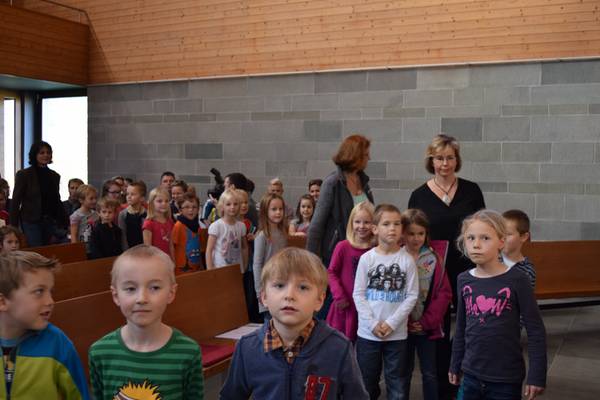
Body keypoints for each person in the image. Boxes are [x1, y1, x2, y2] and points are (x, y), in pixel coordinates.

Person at [220, 247, 368, 399]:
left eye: (303, 287)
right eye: (279, 285)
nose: (289, 295)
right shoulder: (247, 347)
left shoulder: (339, 347)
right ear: (264, 297)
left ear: (319, 300)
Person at [407, 134, 485, 400]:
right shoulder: (419, 195)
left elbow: (482, 228)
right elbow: (413, 236)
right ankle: (442, 385)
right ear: (431, 160)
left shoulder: (472, 190)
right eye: (439, 158)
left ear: (456, 160)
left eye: (450, 158)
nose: (445, 163)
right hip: (433, 273)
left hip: (467, 268)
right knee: (437, 328)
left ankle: (467, 379)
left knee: (470, 324)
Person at [449, 210, 546, 400]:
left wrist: (537, 375)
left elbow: (535, 329)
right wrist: (455, 363)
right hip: (470, 373)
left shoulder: (518, 279)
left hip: (505, 378)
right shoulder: (463, 279)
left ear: (501, 241)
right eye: (470, 238)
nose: (476, 244)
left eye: (485, 238)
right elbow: (461, 326)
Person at [88, 245, 204, 400]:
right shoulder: (100, 353)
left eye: (154, 287)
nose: (142, 298)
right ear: (116, 295)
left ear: (171, 293)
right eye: (130, 289)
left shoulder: (188, 352)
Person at [0, 251, 90, 399]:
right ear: (3, 302)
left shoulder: (57, 342)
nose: (50, 301)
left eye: (51, 292)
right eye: (39, 292)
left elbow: (79, 395)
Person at [352, 204, 419, 400]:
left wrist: (391, 323)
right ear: (375, 229)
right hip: (368, 334)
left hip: (396, 335)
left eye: (397, 224)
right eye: (386, 224)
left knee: (397, 383)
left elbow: (412, 295)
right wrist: (372, 323)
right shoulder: (367, 259)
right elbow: (359, 294)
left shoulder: (407, 260)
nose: (392, 228)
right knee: (366, 381)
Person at [400, 209, 452, 400]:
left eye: (420, 233)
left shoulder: (434, 258)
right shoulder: (396, 257)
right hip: (402, 327)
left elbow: (444, 294)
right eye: (411, 233)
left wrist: (426, 322)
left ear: (426, 233)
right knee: (403, 372)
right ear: (402, 233)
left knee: (429, 373)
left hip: (427, 328)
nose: (416, 238)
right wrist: (404, 322)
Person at [307, 134, 374, 268]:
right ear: (355, 156)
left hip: (363, 252)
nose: (369, 158)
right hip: (337, 254)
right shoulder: (332, 183)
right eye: (366, 155)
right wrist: (311, 263)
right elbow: (316, 227)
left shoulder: (364, 182)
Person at [326, 201, 375, 342]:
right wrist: (339, 295)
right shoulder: (343, 247)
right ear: (351, 223)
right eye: (357, 222)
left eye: (367, 222)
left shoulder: (377, 249)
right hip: (345, 306)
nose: (361, 226)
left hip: (369, 308)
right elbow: (331, 272)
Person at [9, 141, 68, 246]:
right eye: (42, 153)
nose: (46, 155)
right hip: (31, 220)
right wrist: (13, 226)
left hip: (50, 220)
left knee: (47, 249)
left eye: (48, 152)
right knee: (36, 249)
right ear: (34, 155)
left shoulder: (55, 176)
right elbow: (16, 200)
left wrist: (64, 221)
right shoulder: (24, 174)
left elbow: (56, 199)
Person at [252, 193, 288, 316]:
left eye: (280, 209)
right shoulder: (262, 235)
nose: (278, 212)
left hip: (280, 283)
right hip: (266, 286)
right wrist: (259, 291)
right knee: (269, 320)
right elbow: (257, 264)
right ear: (265, 211)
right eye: (274, 209)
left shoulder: (282, 233)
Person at [205, 189, 248, 271]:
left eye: (235, 204)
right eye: (228, 204)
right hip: (220, 269)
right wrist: (210, 270)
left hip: (236, 269)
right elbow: (209, 250)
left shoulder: (241, 226)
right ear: (222, 206)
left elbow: (244, 247)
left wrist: (245, 264)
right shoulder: (216, 226)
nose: (232, 207)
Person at [502, 209, 536, 289]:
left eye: (508, 234)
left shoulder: (527, 271)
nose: (502, 238)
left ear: (524, 237)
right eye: (500, 233)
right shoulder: (491, 259)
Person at [171, 193, 203, 272]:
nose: (191, 210)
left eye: (194, 207)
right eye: (187, 207)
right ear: (180, 210)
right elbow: (171, 247)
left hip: (196, 269)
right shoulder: (178, 226)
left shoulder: (198, 226)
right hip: (181, 270)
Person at [142, 187, 174, 256]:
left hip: (167, 259)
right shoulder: (148, 224)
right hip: (155, 259)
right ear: (151, 203)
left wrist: (173, 260)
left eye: (166, 201)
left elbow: (171, 245)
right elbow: (148, 249)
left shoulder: (170, 221)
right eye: (159, 201)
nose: (164, 203)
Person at [70, 184, 99, 257]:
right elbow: (73, 235)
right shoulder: (76, 216)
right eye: (91, 199)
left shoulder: (96, 214)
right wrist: (76, 250)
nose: (94, 201)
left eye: (95, 198)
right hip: (82, 248)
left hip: (94, 248)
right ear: (81, 200)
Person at [118, 181, 147, 250]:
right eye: (127, 194)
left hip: (144, 249)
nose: (129, 196)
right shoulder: (123, 214)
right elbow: (123, 235)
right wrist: (126, 250)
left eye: (133, 194)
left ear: (142, 198)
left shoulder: (147, 213)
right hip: (129, 249)